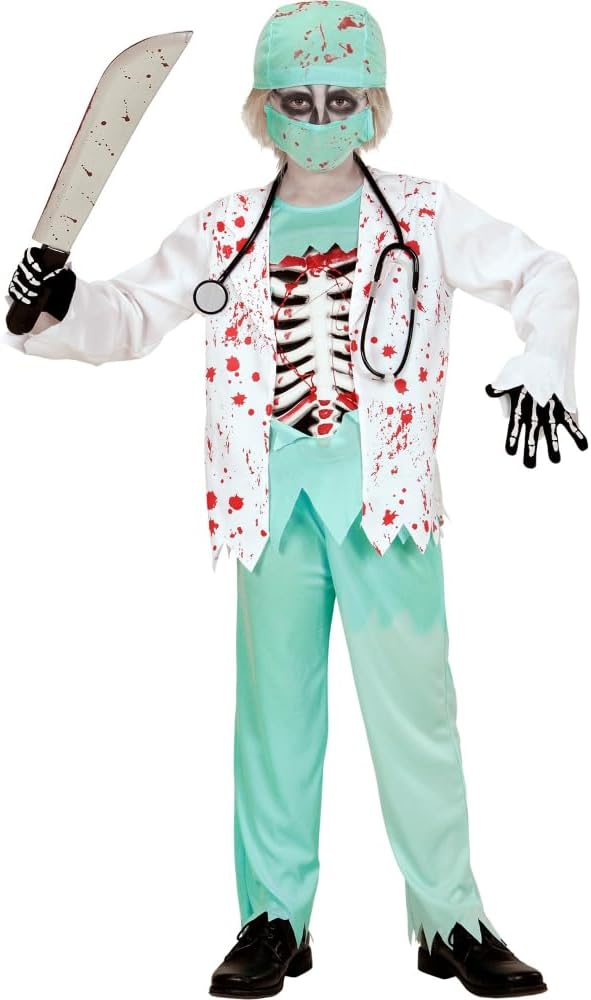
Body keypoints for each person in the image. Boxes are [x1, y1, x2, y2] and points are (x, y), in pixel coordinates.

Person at [4, 3, 587, 997]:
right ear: (262, 108)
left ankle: (451, 918)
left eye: (341, 99)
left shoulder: (426, 214)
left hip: (388, 506)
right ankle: (274, 919)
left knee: (417, 716)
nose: (319, 117)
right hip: (266, 508)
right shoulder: (226, 227)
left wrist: (545, 354)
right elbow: (133, 314)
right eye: (298, 100)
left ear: (375, 106)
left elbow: (543, 271)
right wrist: (55, 305)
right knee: (273, 719)